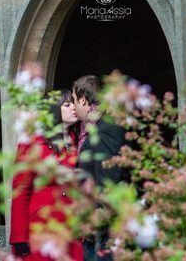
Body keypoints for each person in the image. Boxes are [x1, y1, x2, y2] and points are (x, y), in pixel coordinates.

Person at [10, 90, 84, 260]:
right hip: (42, 227)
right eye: (67, 104)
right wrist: (19, 237)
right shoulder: (32, 142)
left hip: (70, 227)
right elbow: (20, 190)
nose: (74, 107)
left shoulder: (77, 140)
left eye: (73, 103)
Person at [71, 75, 128, 261]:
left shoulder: (107, 129)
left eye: (74, 100)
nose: (73, 106)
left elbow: (108, 179)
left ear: (83, 99)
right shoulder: (91, 127)